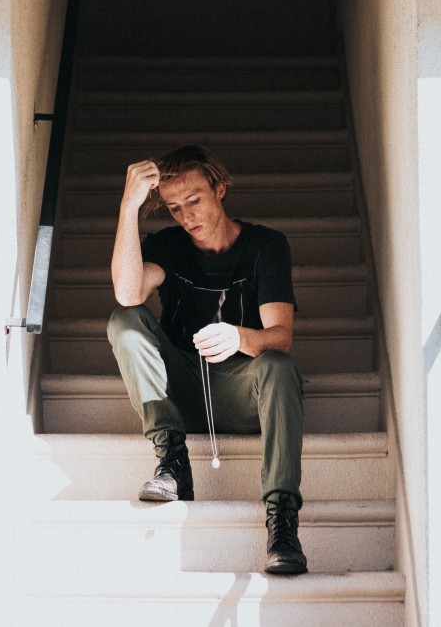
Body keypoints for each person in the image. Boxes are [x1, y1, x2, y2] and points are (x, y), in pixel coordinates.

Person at [107, 144, 308, 575]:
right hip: (180, 390)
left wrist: (239, 336)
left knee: (278, 365)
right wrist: (129, 206)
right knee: (125, 320)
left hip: (240, 392)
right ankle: (173, 462)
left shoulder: (266, 246)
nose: (186, 216)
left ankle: (282, 522)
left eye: (194, 201)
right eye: (175, 208)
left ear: (220, 189)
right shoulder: (170, 246)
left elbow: (281, 338)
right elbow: (128, 293)